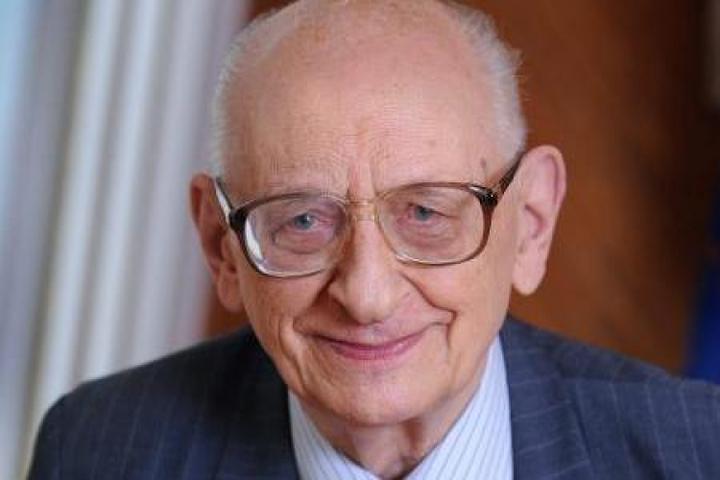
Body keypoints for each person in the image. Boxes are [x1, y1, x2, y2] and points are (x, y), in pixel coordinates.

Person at [29, 0, 720, 478]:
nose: (366, 295)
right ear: (221, 246)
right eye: (303, 221)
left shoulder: (699, 454)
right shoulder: (100, 451)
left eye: (425, 213)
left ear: (531, 224)